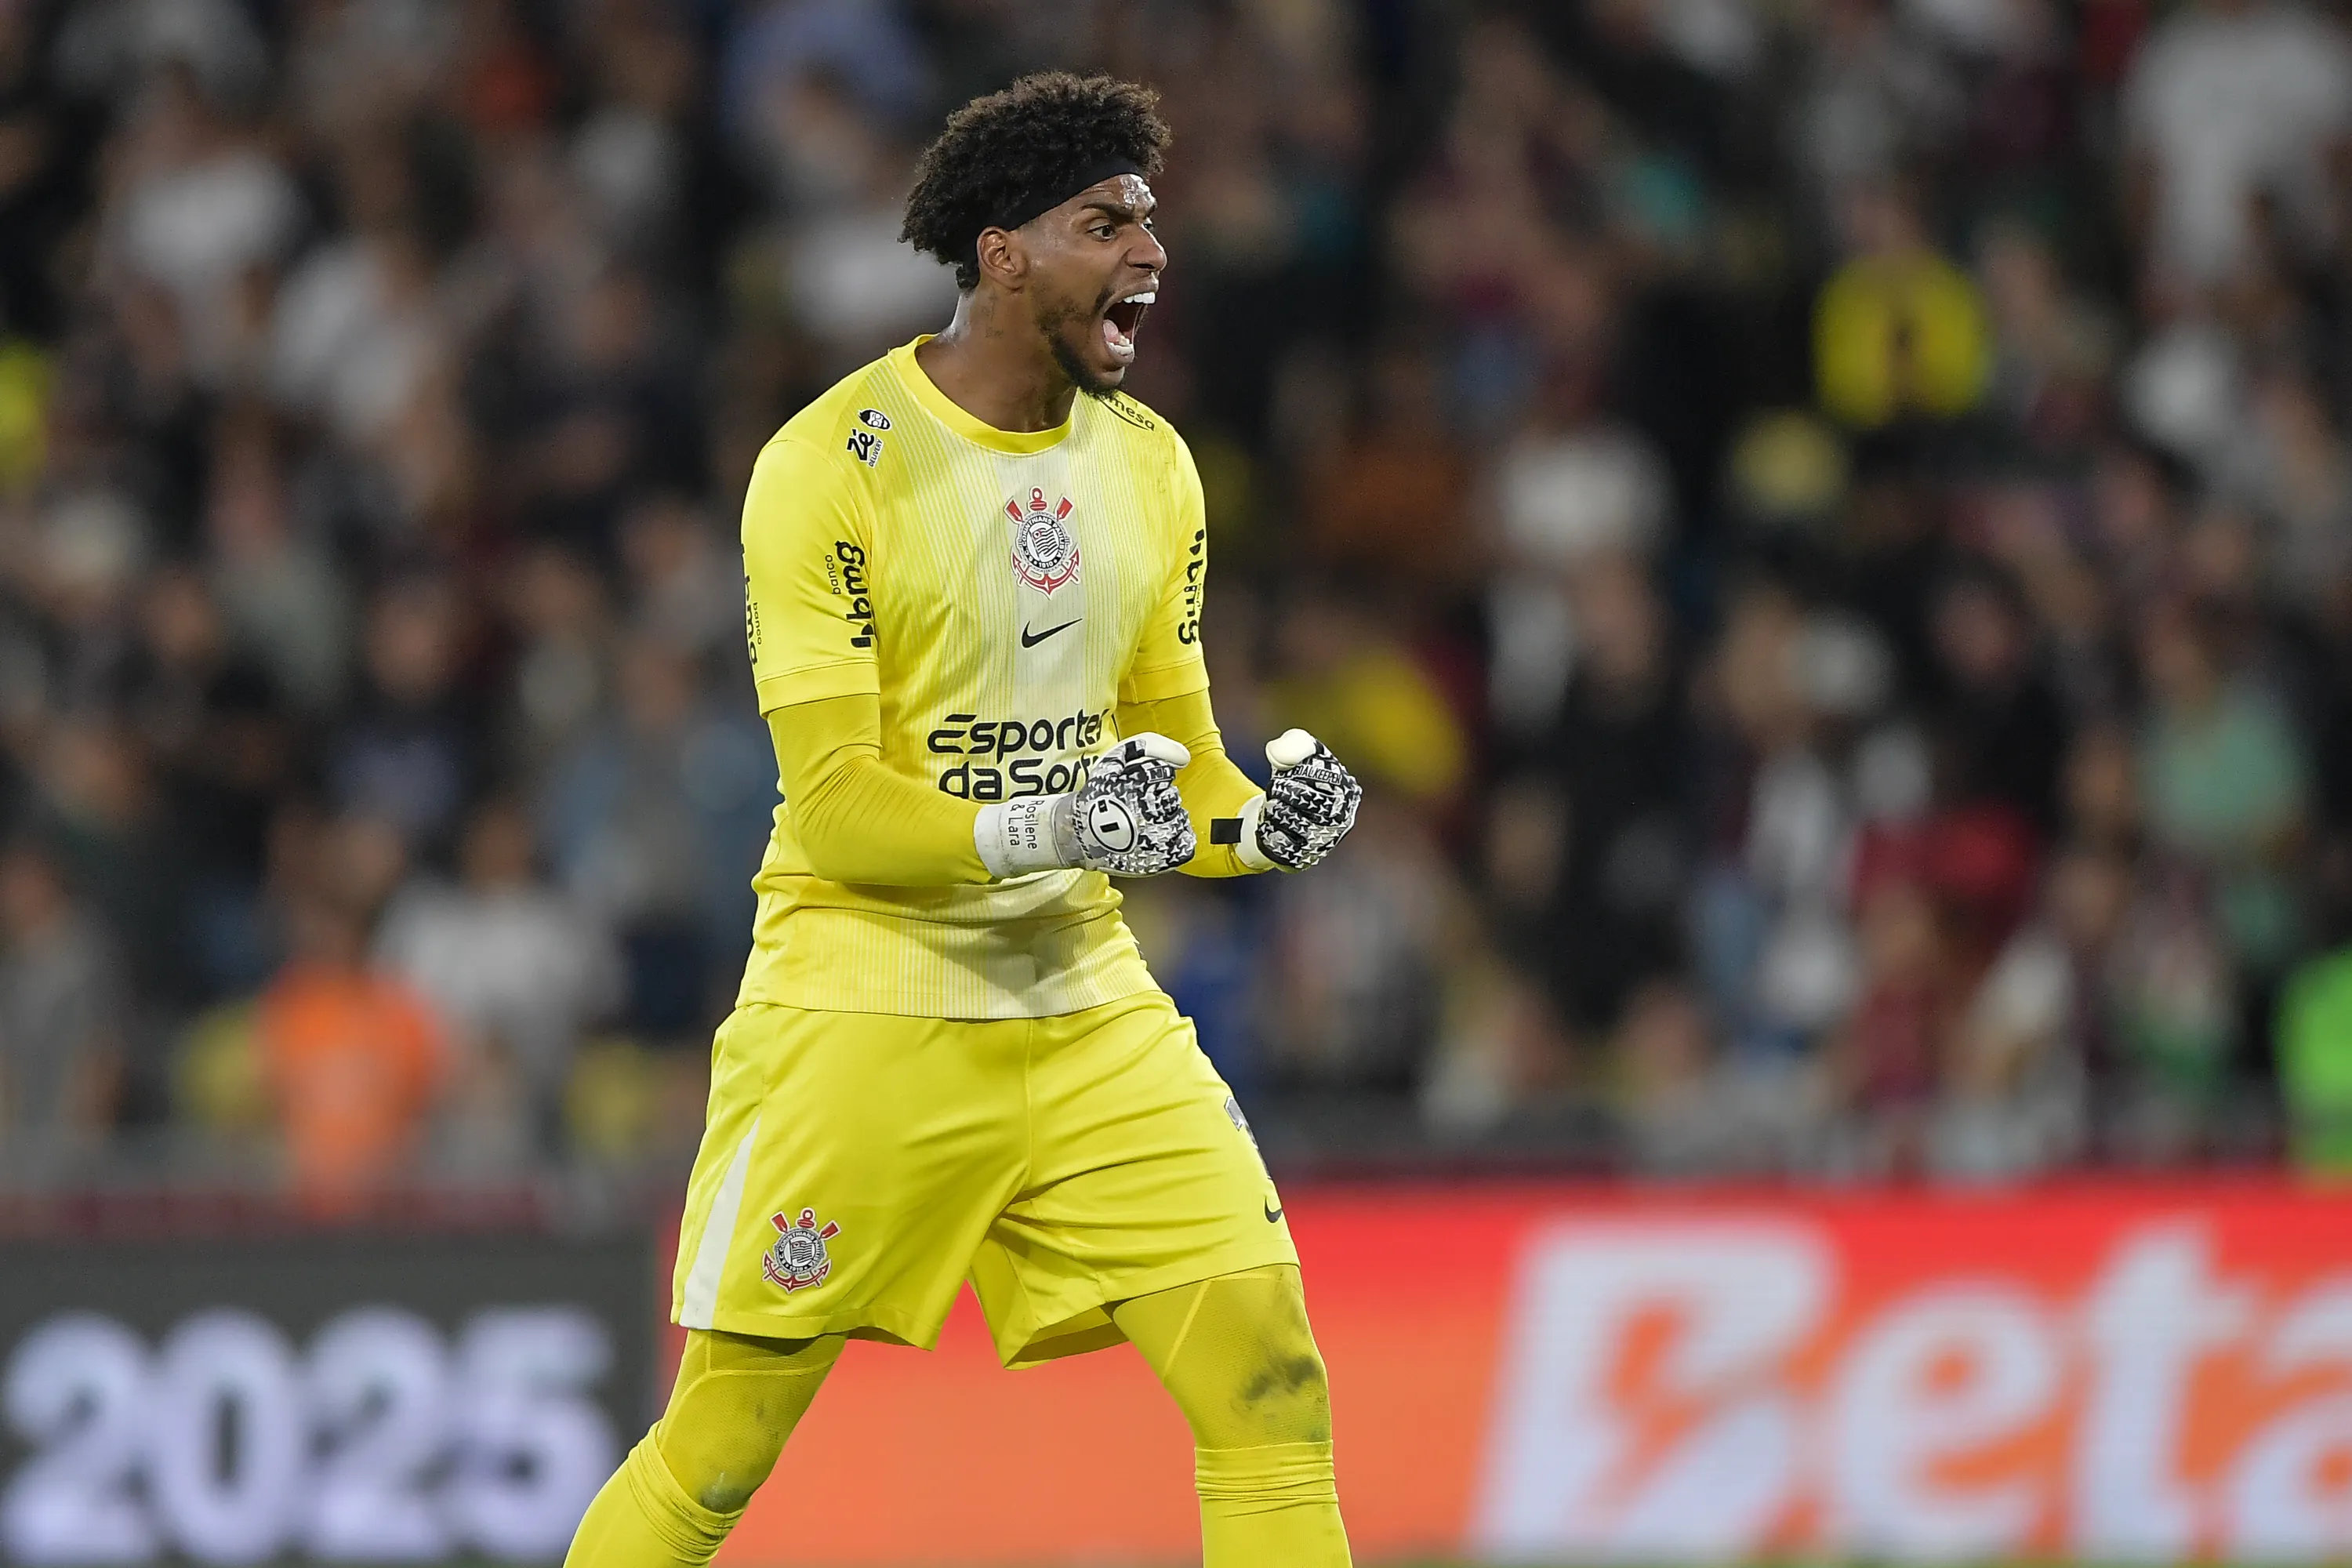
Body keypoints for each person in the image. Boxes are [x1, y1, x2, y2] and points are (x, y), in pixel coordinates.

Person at [563, 74, 1363, 1567]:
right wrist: (1054, 824)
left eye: (1151, 218)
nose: (1150, 250)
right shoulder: (828, 468)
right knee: (723, 1443)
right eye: (1104, 221)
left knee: (1271, 1382)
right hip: (867, 1001)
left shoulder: (1155, 465)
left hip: (1083, 1001)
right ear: (1002, 253)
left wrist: (1260, 829)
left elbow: (1171, 759)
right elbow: (845, 808)